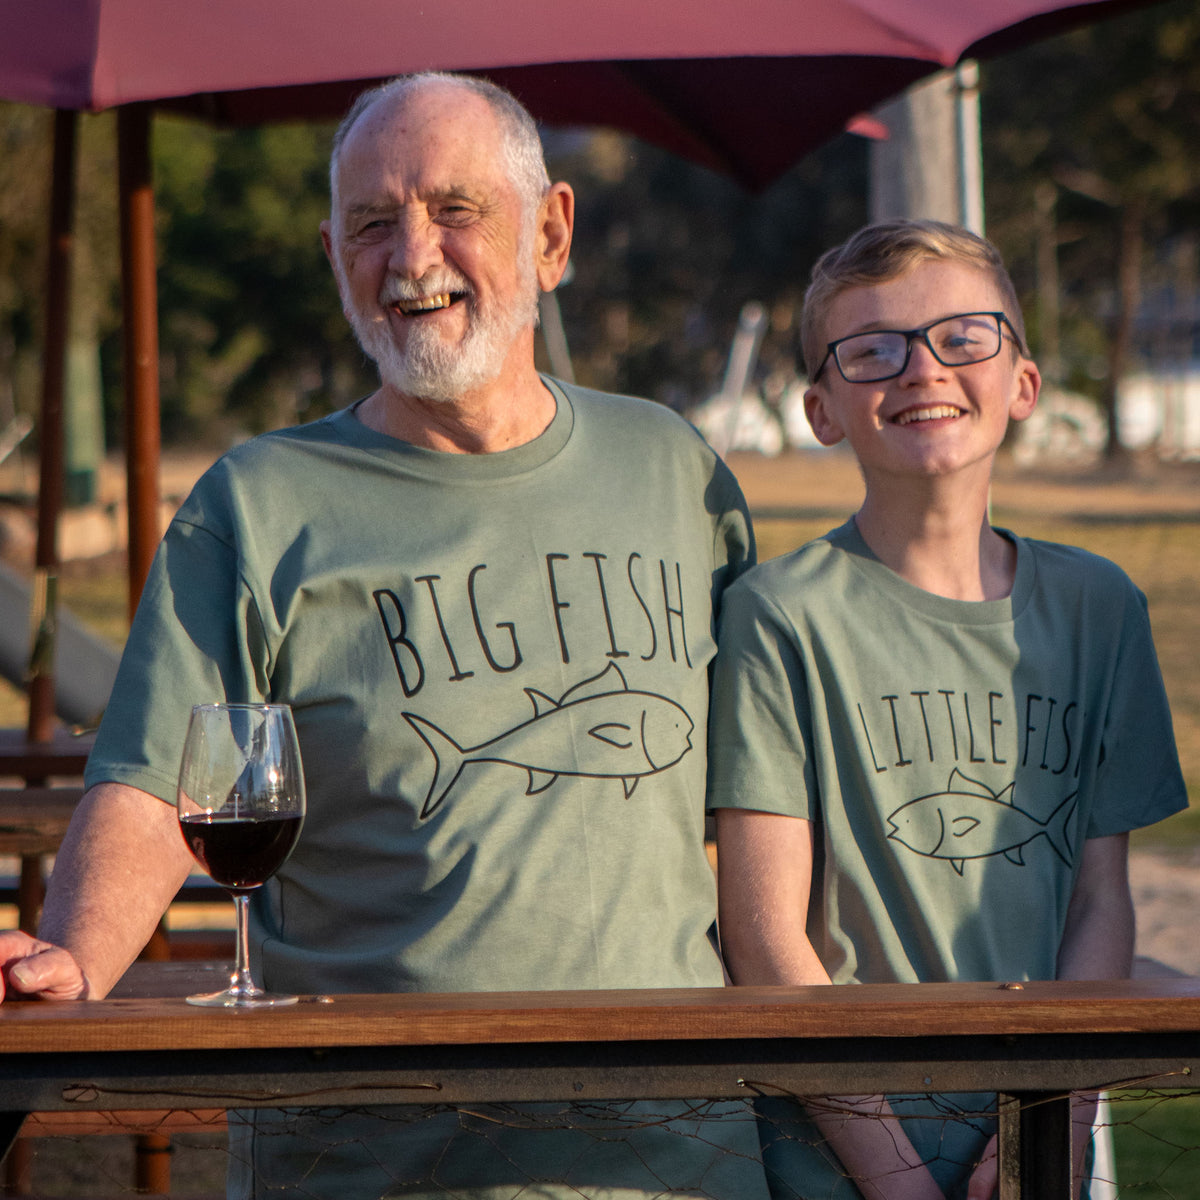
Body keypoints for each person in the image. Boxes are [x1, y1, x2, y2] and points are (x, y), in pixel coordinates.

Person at [0, 72, 768, 1200]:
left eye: (456, 209)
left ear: (551, 232)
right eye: (371, 223)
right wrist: (74, 961)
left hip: (674, 1157)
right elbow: (163, 786)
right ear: (331, 256)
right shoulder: (256, 504)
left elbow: (769, 795)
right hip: (368, 1158)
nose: (411, 258)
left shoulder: (675, 471)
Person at [707, 218, 1189, 1200]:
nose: (923, 369)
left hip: (1045, 1136)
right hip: (839, 1156)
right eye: (873, 350)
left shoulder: (1100, 609)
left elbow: (1099, 902)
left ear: (1024, 383)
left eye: (963, 336)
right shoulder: (780, 615)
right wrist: (897, 1182)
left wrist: (1041, 1136)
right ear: (821, 408)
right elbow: (764, 938)